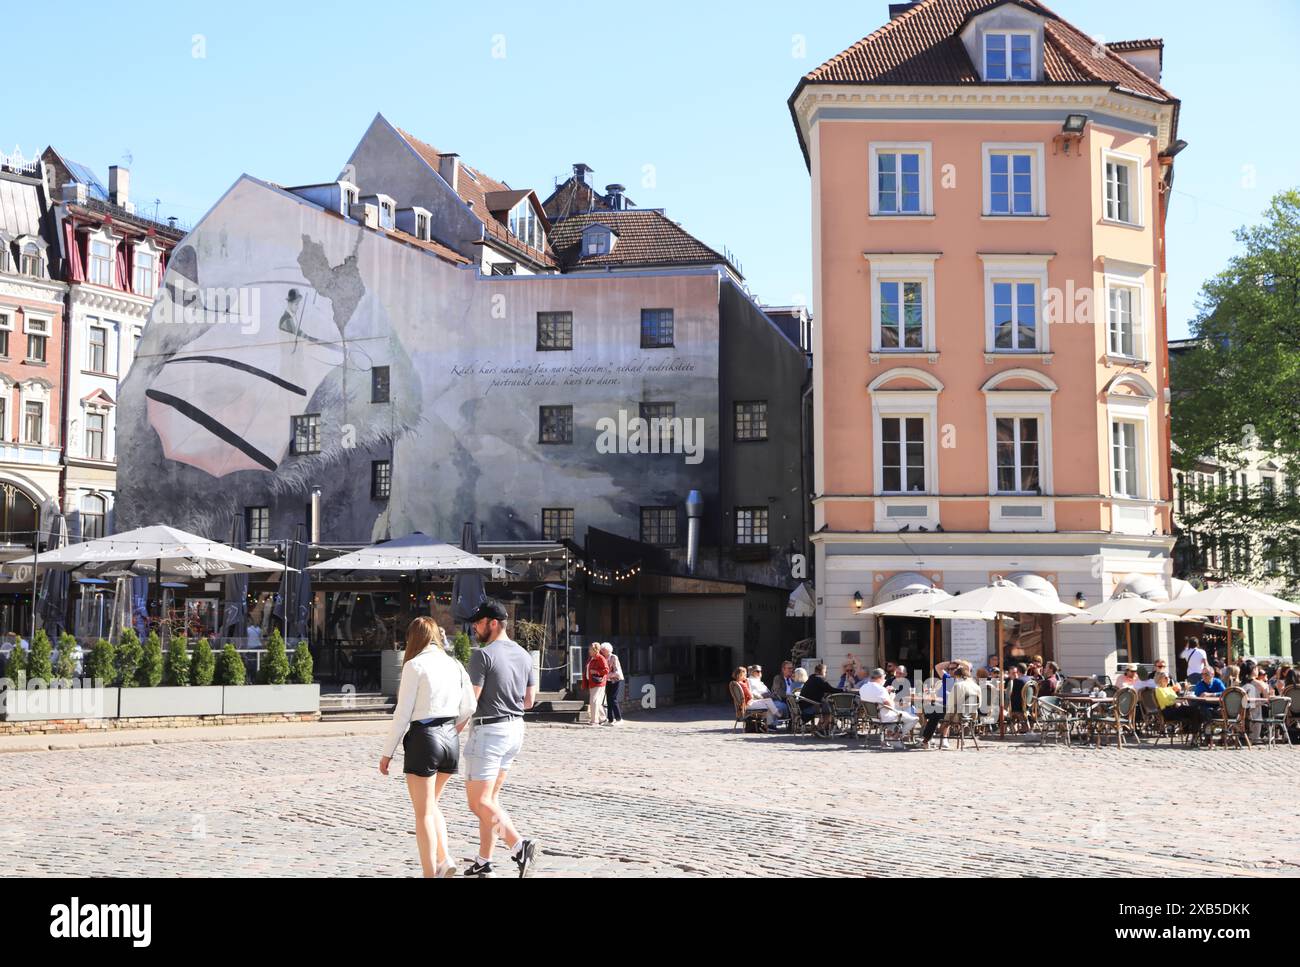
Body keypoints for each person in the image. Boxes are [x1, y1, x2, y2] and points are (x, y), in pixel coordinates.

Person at [379, 617, 477, 878]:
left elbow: (402, 714)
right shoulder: (455, 664)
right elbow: (470, 705)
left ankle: (429, 873)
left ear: (414, 638)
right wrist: (453, 729)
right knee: (431, 804)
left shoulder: (415, 665)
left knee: (422, 813)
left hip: (425, 737)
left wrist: (387, 752)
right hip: (449, 737)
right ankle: (444, 859)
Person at [462, 599, 539, 878]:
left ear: (493, 623)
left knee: (478, 802)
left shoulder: (482, 655)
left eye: (478, 622)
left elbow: (471, 701)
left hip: (489, 731)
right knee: (491, 799)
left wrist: (453, 728)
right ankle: (484, 861)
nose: (474, 627)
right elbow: (529, 701)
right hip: (515, 729)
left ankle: (519, 845)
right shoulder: (524, 655)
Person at [858, 667, 918, 743]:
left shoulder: (863, 688)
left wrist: (886, 692)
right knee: (914, 718)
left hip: (872, 717)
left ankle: (892, 736)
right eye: (884, 678)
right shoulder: (881, 689)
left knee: (904, 712)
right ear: (880, 677)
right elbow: (891, 706)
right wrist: (891, 695)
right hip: (885, 717)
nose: (884, 680)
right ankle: (896, 736)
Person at [797, 662, 840, 730]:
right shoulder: (819, 680)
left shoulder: (811, 679)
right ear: (822, 672)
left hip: (803, 707)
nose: (826, 674)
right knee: (831, 709)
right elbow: (831, 689)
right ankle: (821, 729)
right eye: (825, 672)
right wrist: (844, 690)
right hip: (809, 708)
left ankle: (821, 727)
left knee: (826, 706)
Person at [1244, 666, 1272, 742]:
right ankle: (1255, 737)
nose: (1258, 671)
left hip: (1242, 708)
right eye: (1256, 669)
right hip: (1255, 708)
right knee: (1260, 705)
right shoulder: (1259, 683)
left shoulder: (1242, 682)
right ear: (1253, 670)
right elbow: (1268, 697)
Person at [584, 643, 608, 727]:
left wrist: (596, 672)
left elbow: (606, 670)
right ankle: (603, 718)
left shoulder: (600, 658)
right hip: (592, 682)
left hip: (598, 683)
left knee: (593, 701)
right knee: (596, 701)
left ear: (595, 650)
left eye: (590, 649)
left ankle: (595, 721)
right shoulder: (591, 658)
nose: (589, 651)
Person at [600, 642, 624, 726]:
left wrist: (607, 675)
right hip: (607, 681)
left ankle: (619, 718)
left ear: (608, 650)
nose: (602, 651)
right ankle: (610, 719)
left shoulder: (614, 657)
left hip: (615, 680)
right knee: (608, 700)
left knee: (613, 699)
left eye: (603, 650)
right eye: (602, 650)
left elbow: (617, 671)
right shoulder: (603, 657)